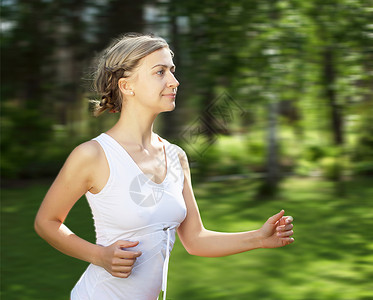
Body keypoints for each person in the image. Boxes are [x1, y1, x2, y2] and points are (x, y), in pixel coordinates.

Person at [34, 33, 294, 300]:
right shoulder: (93, 154)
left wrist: (258, 238)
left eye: (172, 70)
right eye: (160, 72)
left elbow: (195, 240)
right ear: (126, 86)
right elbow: (47, 221)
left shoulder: (176, 156)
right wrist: (99, 255)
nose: (174, 81)